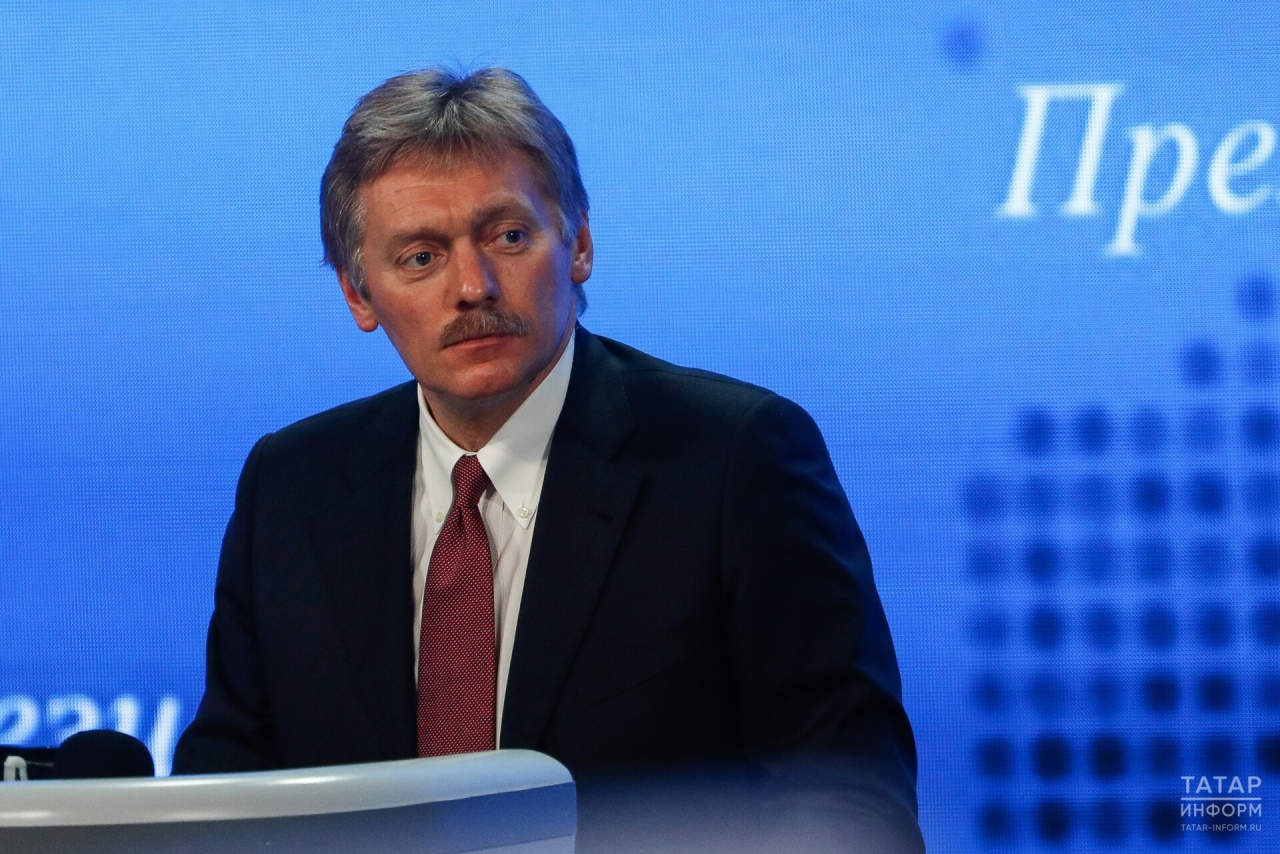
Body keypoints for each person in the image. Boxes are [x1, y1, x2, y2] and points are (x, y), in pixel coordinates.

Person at [173, 66, 923, 851]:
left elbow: (846, 796)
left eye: (508, 236)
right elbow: (228, 797)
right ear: (360, 296)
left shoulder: (734, 459)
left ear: (579, 244)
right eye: (421, 257)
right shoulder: (293, 489)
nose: (473, 286)